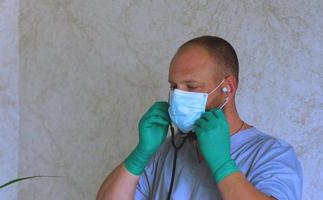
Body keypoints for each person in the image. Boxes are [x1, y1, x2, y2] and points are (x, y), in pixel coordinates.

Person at [97, 35, 303, 200]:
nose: (178, 97)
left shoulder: (272, 154)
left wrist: (223, 164)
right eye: (173, 87)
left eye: (191, 87)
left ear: (227, 88)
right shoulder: (166, 150)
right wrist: (140, 155)